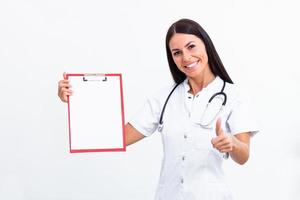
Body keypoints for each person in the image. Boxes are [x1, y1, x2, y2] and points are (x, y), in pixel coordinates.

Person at [58, 19, 259, 200]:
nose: (186, 57)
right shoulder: (165, 98)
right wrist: (79, 102)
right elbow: (116, 138)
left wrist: (232, 143)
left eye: (191, 47)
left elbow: (243, 156)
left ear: (206, 45)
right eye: (177, 53)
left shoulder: (234, 95)